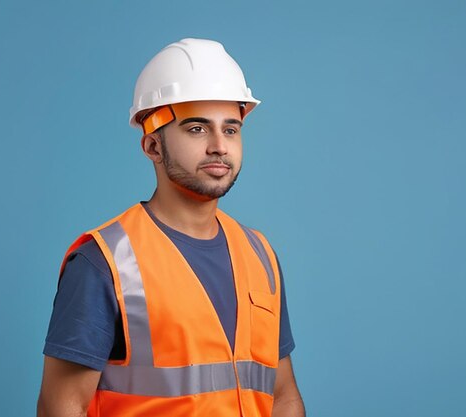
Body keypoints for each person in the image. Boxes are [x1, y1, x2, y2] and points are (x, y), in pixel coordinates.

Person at [37, 38, 305, 417]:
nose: (219, 146)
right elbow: (60, 408)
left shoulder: (259, 254)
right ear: (153, 146)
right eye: (197, 129)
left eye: (230, 129)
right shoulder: (105, 263)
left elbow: (283, 395)